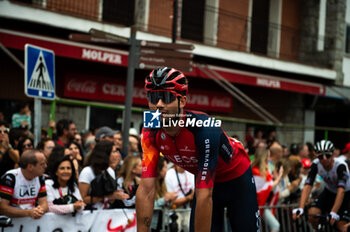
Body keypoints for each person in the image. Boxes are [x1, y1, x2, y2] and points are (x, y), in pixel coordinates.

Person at [136, 67, 260, 232]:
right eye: (153, 97)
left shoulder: (204, 128)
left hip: (237, 179)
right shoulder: (150, 128)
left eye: (166, 97)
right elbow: (146, 189)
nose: (159, 104)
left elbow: (205, 195)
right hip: (206, 184)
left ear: (183, 101)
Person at [292, 140, 350, 231]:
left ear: (333, 154)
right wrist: (301, 207)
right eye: (320, 156)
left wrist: (334, 212)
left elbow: (341, 190)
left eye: (327, 155)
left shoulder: (340, 166)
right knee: (312, 215)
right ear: (316, 155)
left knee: (341, 226)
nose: (324, 159)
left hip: (345, 194)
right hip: (329, 192)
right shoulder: (315, 164)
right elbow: (308, 186)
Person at [78, 140, 129, 210]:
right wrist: (108, 196)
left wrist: (118, 195)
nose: (117, 154)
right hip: (90, 215)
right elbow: (82, 199)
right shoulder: (87, 171)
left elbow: (111, 199)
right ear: (105, 154)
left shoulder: (110, 171)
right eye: (114, 152)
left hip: (106, 214)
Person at [0, 149, 48, 219]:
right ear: (30, 167)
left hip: (30, 222)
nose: (46, 166)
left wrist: (39, 211)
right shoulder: (10, 178)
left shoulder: (40, 178)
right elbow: (3, 208)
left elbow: (44, 203)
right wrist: (28, 212)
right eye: (42, 164)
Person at [252, 148, 282, 232]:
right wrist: (279, 177)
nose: (269, 159)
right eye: (268, 156)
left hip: (262, 205)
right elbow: (269, 188)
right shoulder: (255, 171)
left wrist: (276, 177)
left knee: (275, 225)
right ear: (263, 158)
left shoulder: (265, 171)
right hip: (254, 206)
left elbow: (269, 186)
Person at [150, 156, 178, 232]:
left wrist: (170, 200)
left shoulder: (162, 183)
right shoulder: (150, 184)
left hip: (162, 223)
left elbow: (165, 205)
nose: (167, 169)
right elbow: (149, 206)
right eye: (165, 167)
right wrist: (165, 199)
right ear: (159, 169)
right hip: (152, 225)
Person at [165, 164, 195, 232]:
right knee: (176, 226)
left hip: (188, 209)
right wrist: (189, 198)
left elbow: (194, 193)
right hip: (175, 211)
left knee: (189, 226)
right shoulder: (169, 174)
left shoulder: (190, 172)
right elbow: (172, 202)